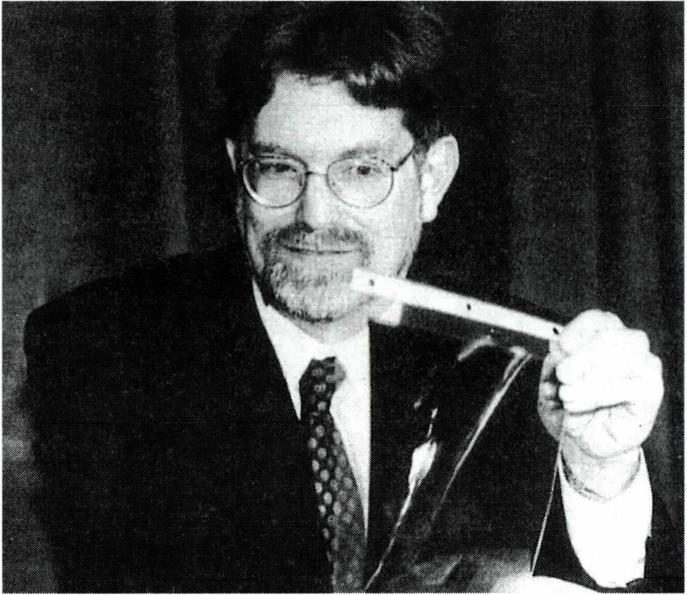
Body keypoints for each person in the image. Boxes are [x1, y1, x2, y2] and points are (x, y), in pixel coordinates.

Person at [24, 4, 677, 592]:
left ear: (432, 179)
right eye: (277, 168)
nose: (313, 215)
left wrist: (599, 471)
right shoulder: (106, 348)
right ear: (236, 168)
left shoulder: (525, 361)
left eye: (361, 170)